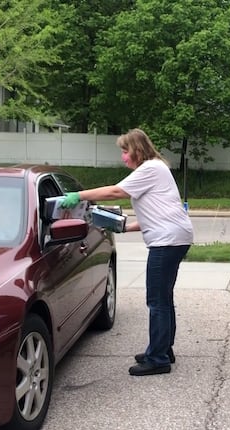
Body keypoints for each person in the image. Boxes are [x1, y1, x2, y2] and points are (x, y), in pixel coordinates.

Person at [60, 128, 194, 376]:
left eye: (125, 151)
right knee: (163, 297)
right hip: (174, 236)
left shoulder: (150, 169)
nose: (123, 156)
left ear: (137, 150)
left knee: (156, 299)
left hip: (167, 241)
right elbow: (158, 213)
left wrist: (78, 195)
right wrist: (124, 227)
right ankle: (163, 348)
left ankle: (158, 359)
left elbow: (115, 192)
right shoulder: (156, 169)